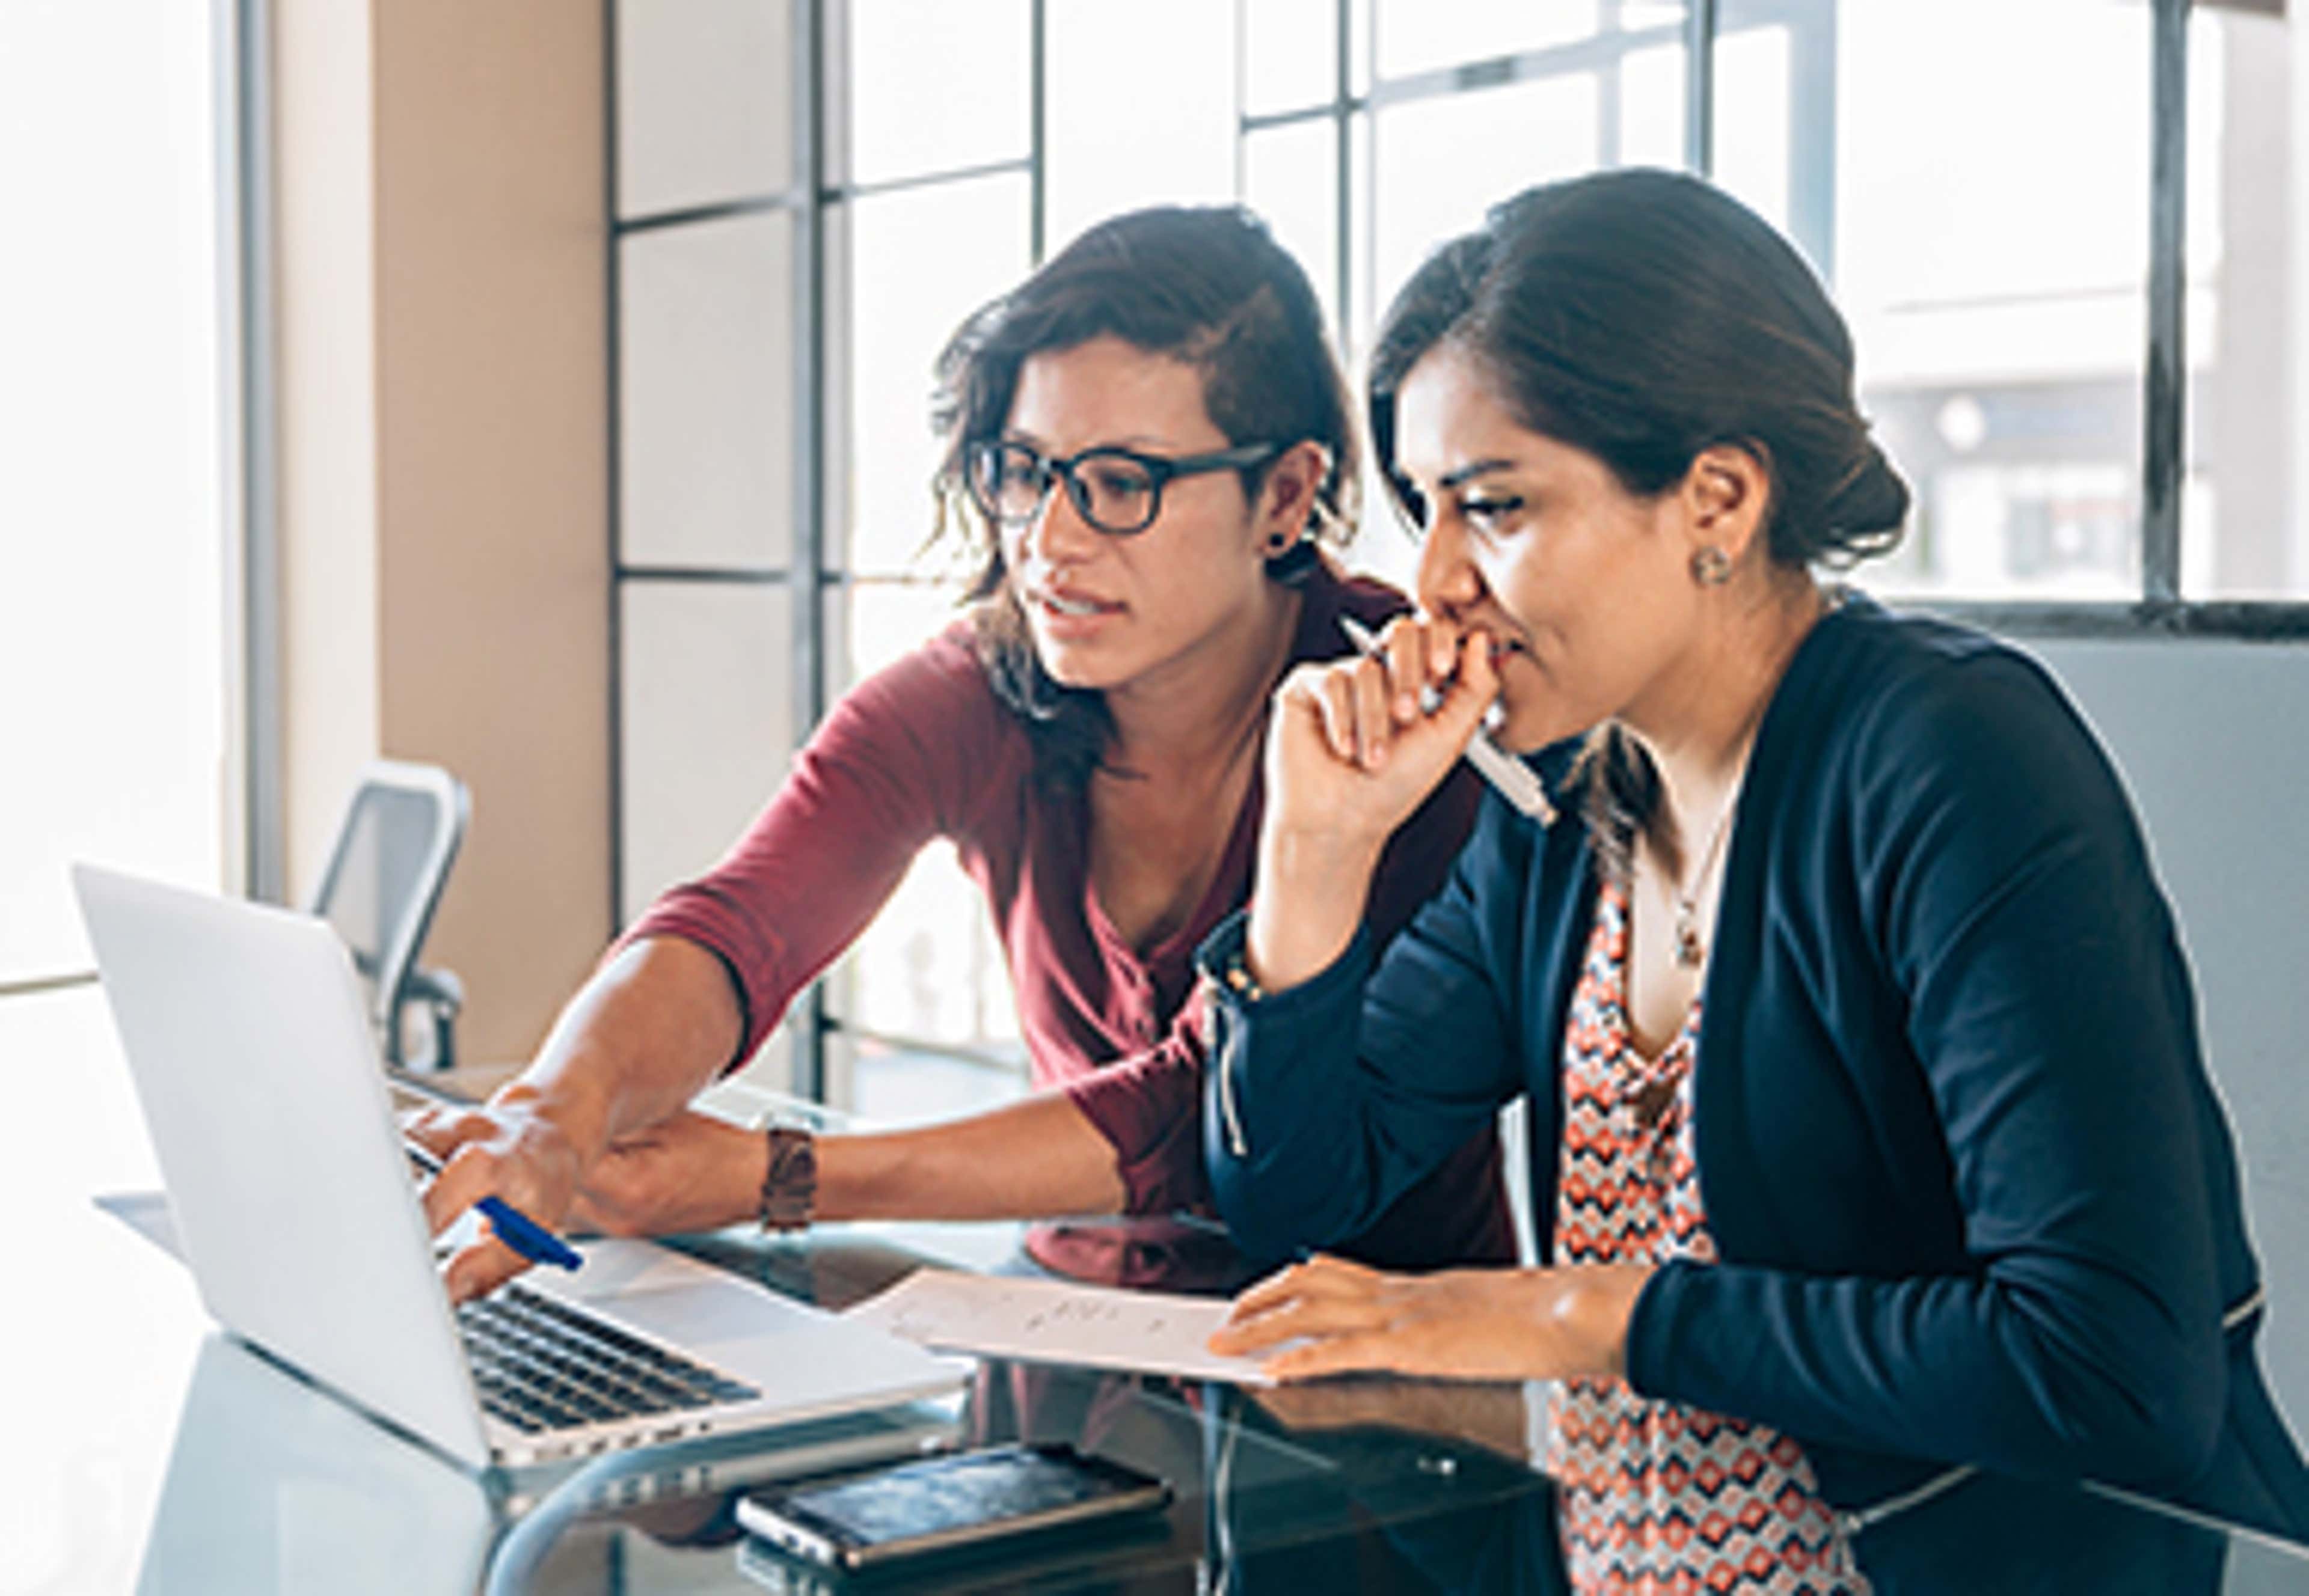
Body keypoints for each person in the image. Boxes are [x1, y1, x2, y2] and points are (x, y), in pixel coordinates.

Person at [1197, 170, 2309, 1591]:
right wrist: (1314, 854)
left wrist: (1587, 1314)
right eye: (1425, 507)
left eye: (1496, 506)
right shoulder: (1567, 807)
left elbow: (2106, 1361)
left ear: (1716, 496)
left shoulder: (1949, 757)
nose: (1435, 581)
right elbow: (1293, 1191)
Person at [410, 204, 1512, 1304]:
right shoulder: (987, 685)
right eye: (1026, 471)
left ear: (1284, 496)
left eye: (1122, 484)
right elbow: (741, 921)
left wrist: (779, 1176)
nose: (1050, 539)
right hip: (1063, 1324)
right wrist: (555, 1111)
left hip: (1381, 1382)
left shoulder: (1405, 717)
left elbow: (1194, 1117)